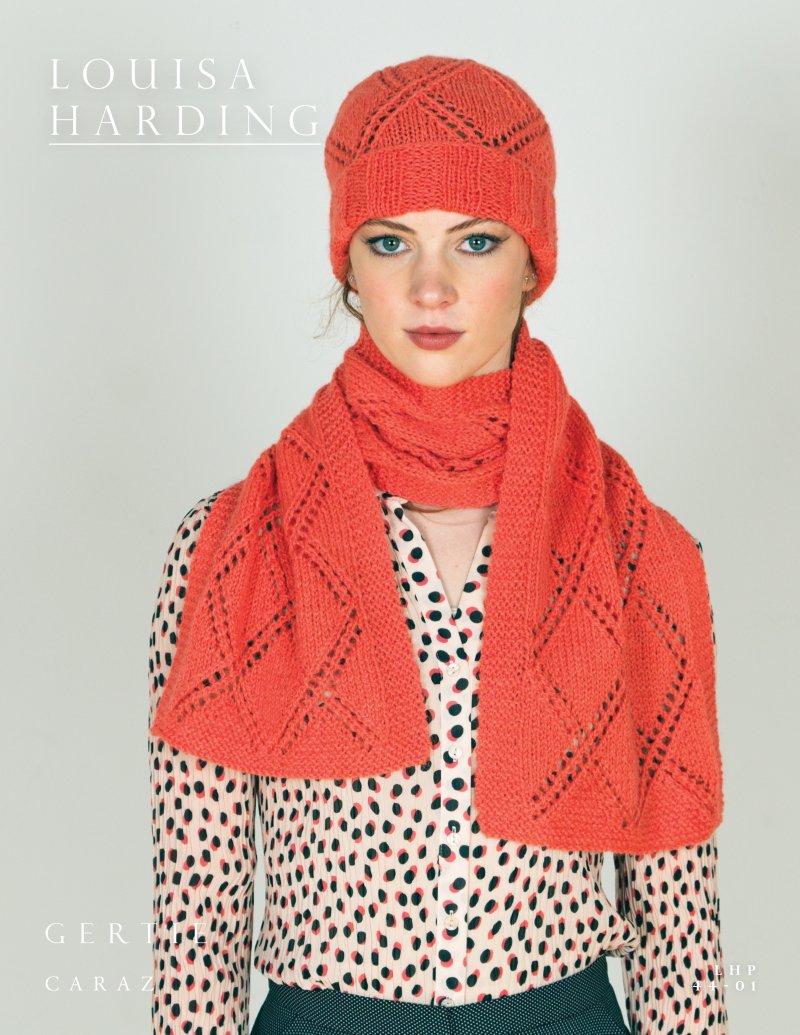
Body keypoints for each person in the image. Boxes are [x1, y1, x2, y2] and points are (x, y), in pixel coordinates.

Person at [147, 55, 728, 1035]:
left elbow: (679, 920)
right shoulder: (230, 543)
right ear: (347, 265)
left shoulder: (640, 550)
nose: (430, 286)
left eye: (475, 241)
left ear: (532, 261)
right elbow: (195, 913)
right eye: (389, 242)